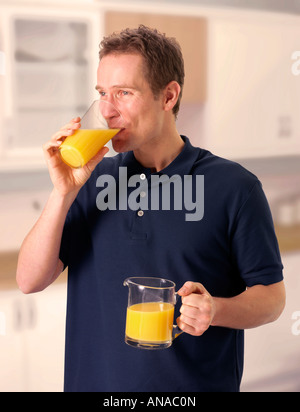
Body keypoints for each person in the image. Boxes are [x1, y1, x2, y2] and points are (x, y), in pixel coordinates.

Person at [16, 25, 285, 392]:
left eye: (124, 93)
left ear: (168, 95)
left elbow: (271, 299)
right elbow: (29, 280)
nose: (108, 111)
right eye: (102, 94)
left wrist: (215, 310)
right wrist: (62, 192)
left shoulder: (234, 187)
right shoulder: (92, 180)